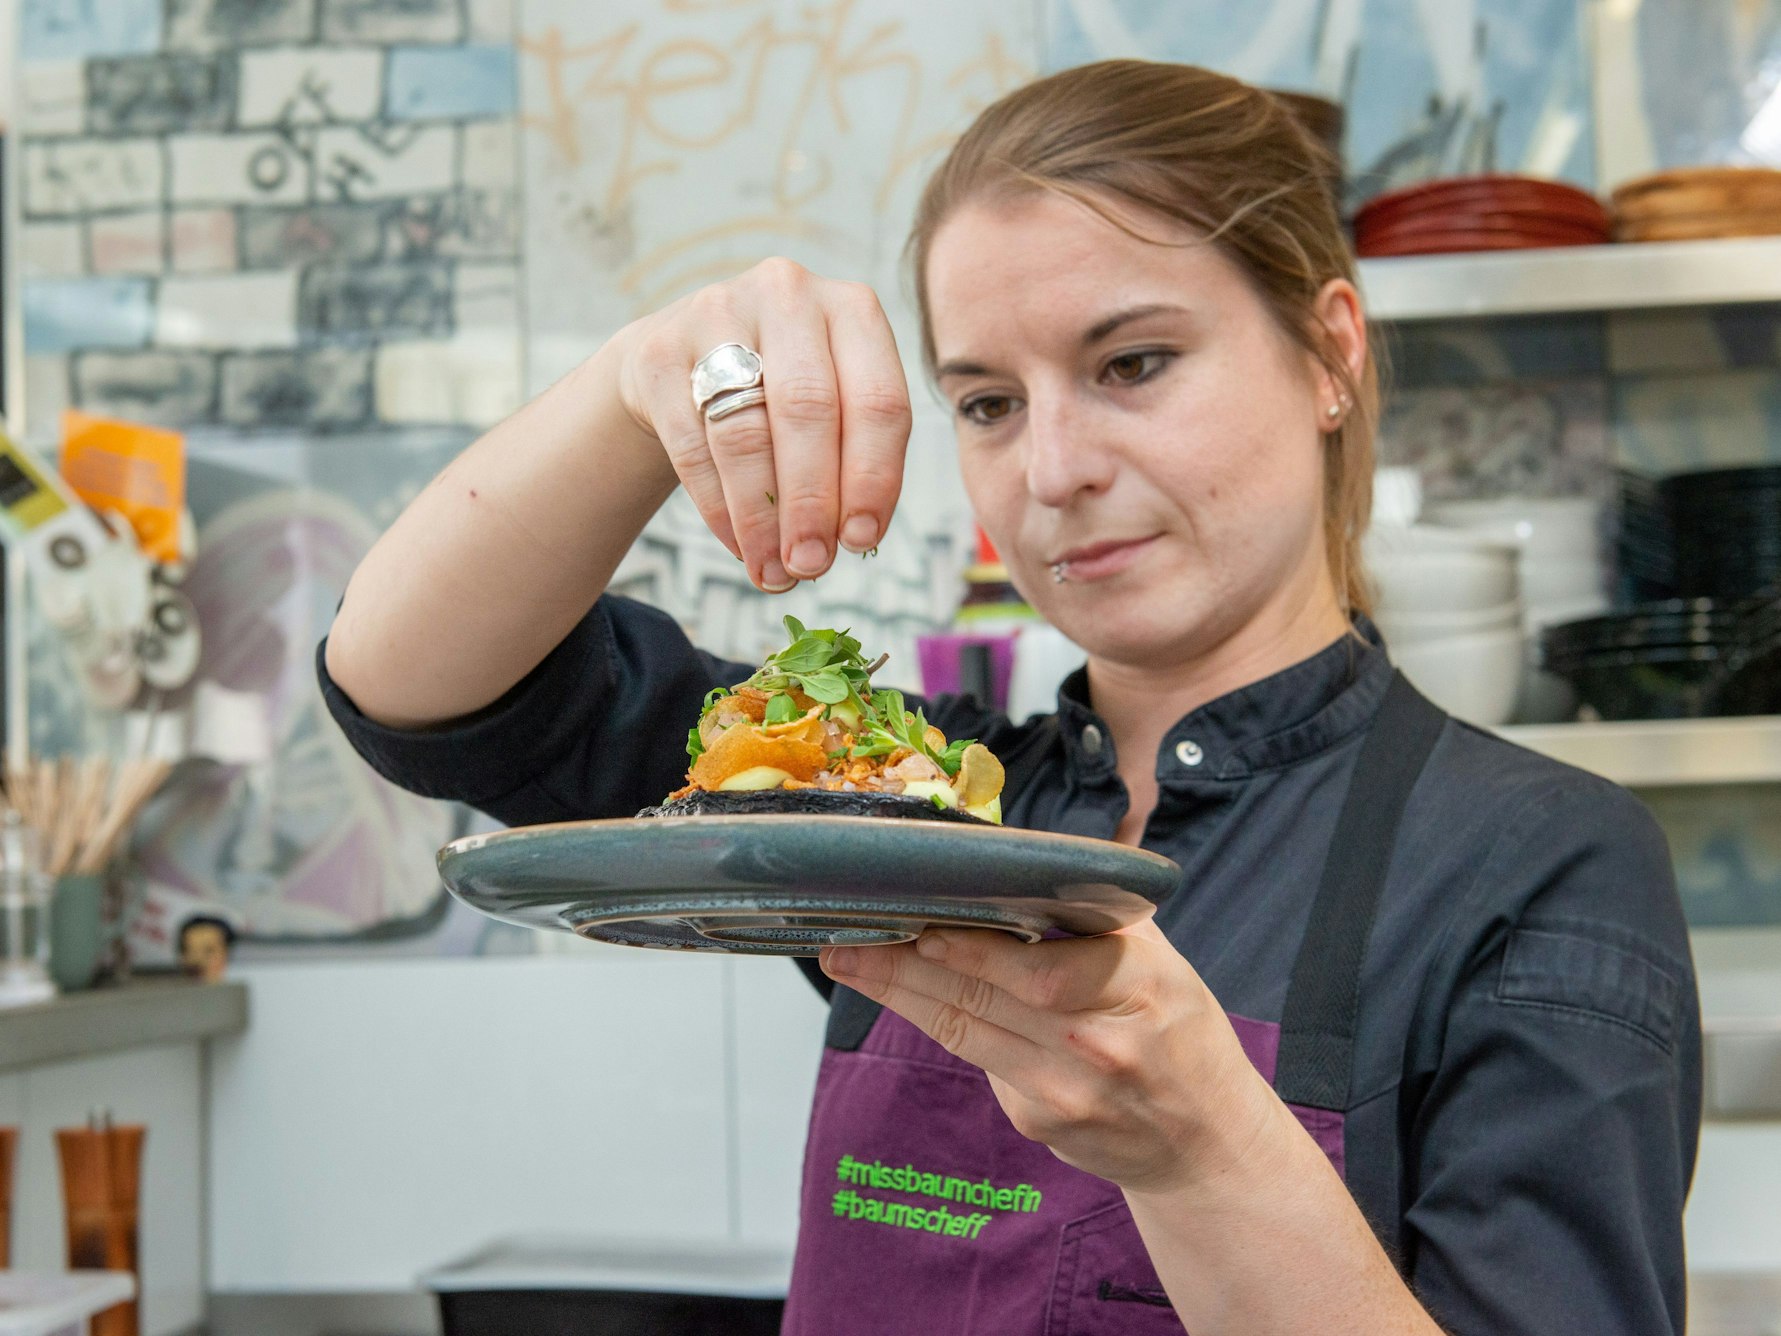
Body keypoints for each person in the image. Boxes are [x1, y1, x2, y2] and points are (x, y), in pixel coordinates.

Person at [318, 60, 1700, 1335]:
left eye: (1132, 364)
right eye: (987, 402)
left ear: (1329, 352)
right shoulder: (901, 809)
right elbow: (420, 689)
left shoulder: (1541, 865)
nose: (1050, 471)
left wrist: (1205, 1150)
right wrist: (638, 387)